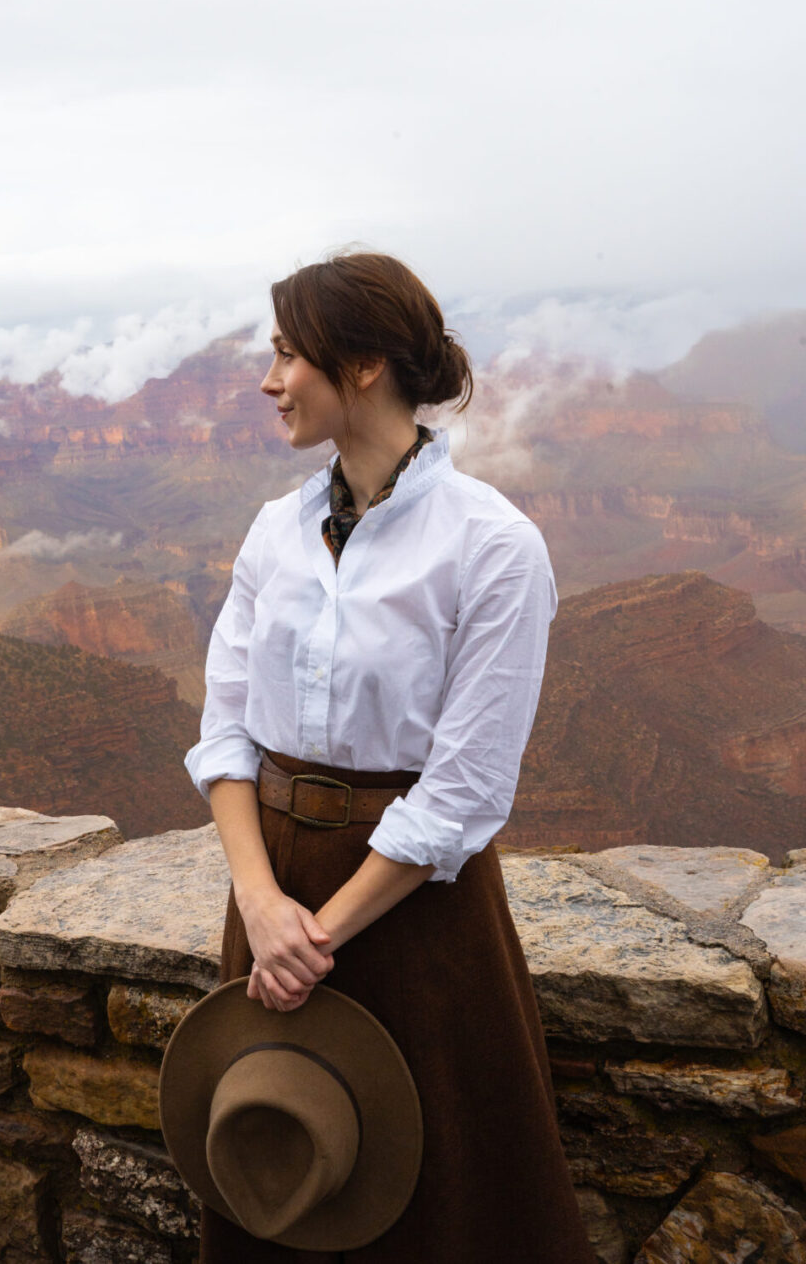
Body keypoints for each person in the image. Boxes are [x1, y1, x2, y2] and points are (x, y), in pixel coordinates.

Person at [183, 251, 598, 1263]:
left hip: (413, 916)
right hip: (272, 895)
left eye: (288, 355)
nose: (270, 381)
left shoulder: (492, 548)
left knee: (439, 1209)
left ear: (362, 364)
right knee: (280, 1177)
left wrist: (318, 934)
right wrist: (261, 906)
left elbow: (461, 793)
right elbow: (225, 732)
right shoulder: (275, 533)